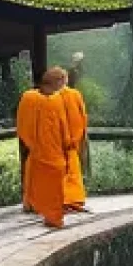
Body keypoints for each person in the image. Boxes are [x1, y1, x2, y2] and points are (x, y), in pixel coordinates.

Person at [26, 67, 72, 229]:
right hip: (41, 153)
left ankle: (54, 217)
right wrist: (36, 147)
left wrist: (67, 145)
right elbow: (25, 127)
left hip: (56, 153)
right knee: (43, 188)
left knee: (55, 187)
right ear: (57, 81)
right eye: (63, 81)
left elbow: (63, 125)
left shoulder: (57, 99)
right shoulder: (30, 98)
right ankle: (50, 216)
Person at [59, 71, 90, 212]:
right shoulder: (74, 95)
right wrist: (77, 137)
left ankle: (67, 200)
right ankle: (72, 200)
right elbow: (82, 117)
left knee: (66, 171)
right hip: (72, 140)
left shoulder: (54, 96)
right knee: (72, 170)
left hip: (62, 142)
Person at [16, 81, 43, 214]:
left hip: (27, 141)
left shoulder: (26, 98)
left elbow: (21, 125)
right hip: (38, 144)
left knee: (28, 171)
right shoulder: (37, 99)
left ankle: (29, 202)